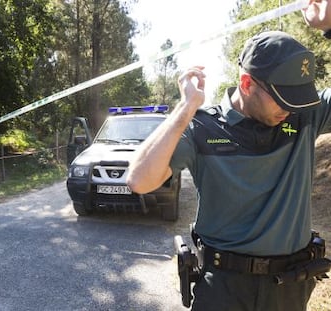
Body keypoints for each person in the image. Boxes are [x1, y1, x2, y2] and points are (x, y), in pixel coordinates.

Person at [127, 1, 331, 310]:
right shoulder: (201, 125)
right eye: (281, 100)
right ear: (246, 84)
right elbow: (140, 180)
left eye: (296, 99)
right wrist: (185, 108)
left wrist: (330, 28)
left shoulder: (305, 116)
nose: (289, 110)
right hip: (222, 288)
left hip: (290, 287)